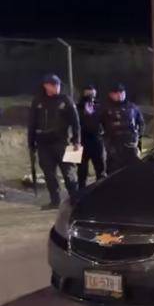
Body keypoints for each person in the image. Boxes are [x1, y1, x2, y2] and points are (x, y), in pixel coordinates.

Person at [28, 74, 81, 209]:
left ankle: (76, 201)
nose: (55, 87)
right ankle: (55, 201)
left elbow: (76, 123)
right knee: (49, 174)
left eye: (57, 85)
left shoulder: (65, 100)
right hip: (43, 143)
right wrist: (31, 142)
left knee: (69, 173)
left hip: (62, 142)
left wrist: (77, 141)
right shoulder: (38, 101)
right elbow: (32, 123)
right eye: (52, 85)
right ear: (46, 86)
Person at [100, 83, 144, 173]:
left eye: (122, 92)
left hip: (130, 144)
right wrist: (105, 140)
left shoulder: (132, 107)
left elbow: (141, 123)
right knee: (113, 170)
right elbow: (99, 124)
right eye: (117, 93)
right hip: (113, 144)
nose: (120, 95)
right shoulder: (105, 108)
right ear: (111, 94)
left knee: (133, 169)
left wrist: (138, 136)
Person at [76, 84, 106, 189]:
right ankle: (81, 193)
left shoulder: (99, 107)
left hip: (96, 140)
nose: (90, 95)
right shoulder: (77, 107)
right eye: (87, 93)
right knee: (81, 171)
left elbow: (105, 122)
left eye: (92, 93)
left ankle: (101, 190)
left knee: (100, 169)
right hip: (80, 140)